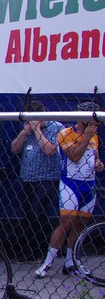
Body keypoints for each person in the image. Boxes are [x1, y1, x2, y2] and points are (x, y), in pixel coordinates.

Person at [33, 101, 102, 278]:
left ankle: (71, 263)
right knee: (66, 223)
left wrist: (98, 164)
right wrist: (86, 137)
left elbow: (94, 157)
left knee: (80, 224)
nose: (94, 123)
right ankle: (47, 263)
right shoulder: (65, 133)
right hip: (70, 184)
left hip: (89, 184)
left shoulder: (94, 136)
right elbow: (75, 156)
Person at [10, 101, 62, 259]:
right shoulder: (27, 130)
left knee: (37, 212)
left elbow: (49, 150)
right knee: (28, 215)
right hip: (28, 178)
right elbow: (14, 149)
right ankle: (29, 250)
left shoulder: (55, 127)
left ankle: (42, 249)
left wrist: (38, 130)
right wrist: (24, 133)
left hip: (46, 179)